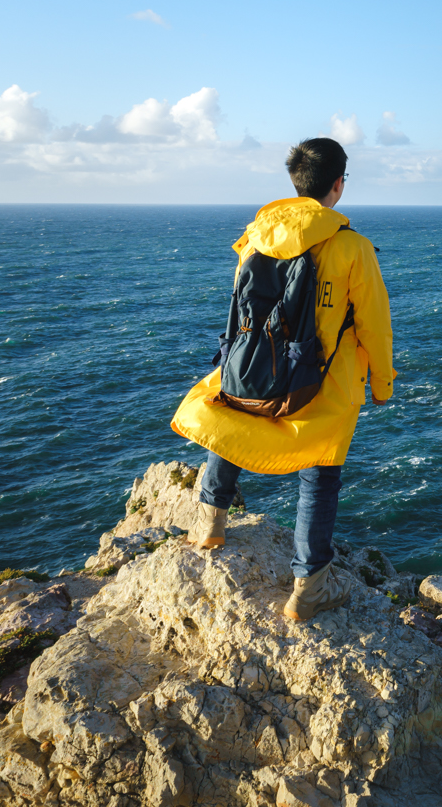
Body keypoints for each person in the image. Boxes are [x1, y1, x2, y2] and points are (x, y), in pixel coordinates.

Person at [169, 136, 394, 621]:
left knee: (230, 422)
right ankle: (308, 589)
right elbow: (375, 323)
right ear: (338, 185)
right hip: (322, 382)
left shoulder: (255, 236)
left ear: (295, 182)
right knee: (319, 474)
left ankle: (210, 523)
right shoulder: (352, 247)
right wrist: (382, 383)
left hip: (251, 367)